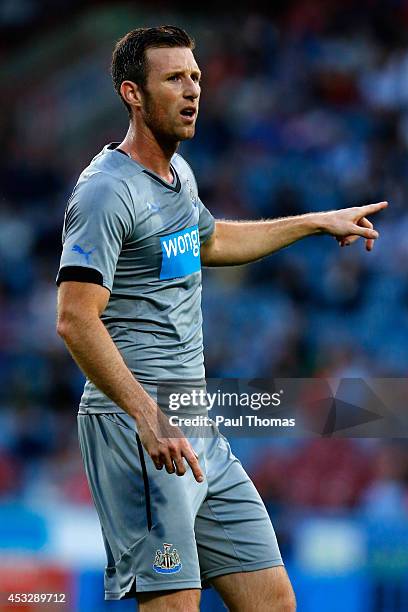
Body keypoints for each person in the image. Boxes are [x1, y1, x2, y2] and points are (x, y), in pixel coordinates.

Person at [56, 25, 387, 612]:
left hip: (194, 418)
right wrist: (148, 415)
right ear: (133, 93)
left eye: (197, 78)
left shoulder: (178, 177)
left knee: (272, 600)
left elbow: (209, 241)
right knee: (174, 604)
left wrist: (317, 222)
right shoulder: (105, 190)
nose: (193, 91)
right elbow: (76, 319)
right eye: (175, 79)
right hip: (139, 425)